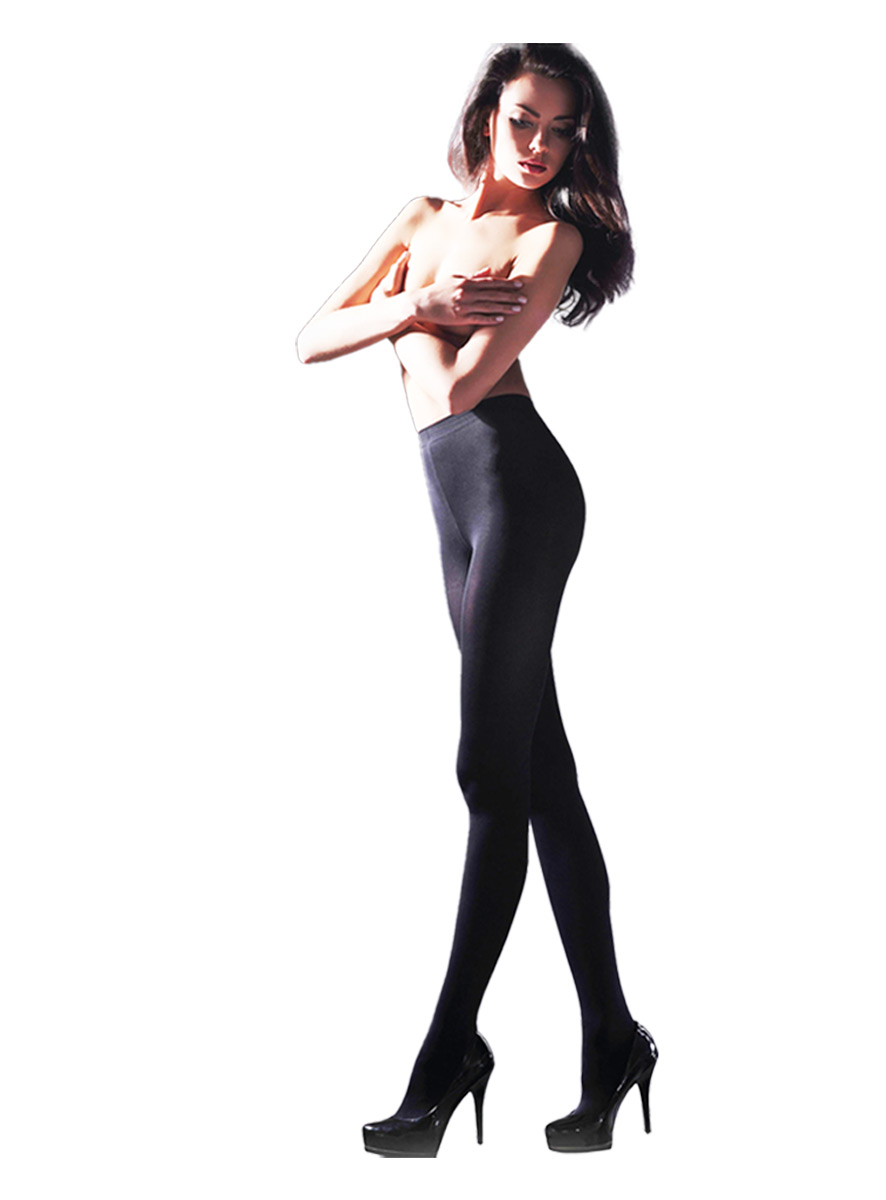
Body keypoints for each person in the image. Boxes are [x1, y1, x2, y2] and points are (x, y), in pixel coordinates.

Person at [297, 42, 657, 1157]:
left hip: (521, 497)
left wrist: (407, 315)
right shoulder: (421, 218)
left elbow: (457, 386)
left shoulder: (553, 239)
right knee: (541, 781)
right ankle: (614, 1041)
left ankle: (445, 1058)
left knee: (488, 777)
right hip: (454, 503)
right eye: (523, 121)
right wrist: (424, 298)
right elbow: (309, 339)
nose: (540, 145)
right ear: (487, 117)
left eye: (562, 130)